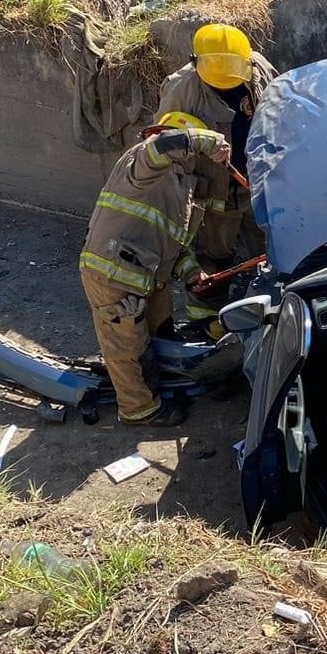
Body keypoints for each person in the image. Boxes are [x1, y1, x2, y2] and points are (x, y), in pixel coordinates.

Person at [80, 117, 228, 426]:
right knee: (126, 344)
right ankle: (138, 409)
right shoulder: (141, 161)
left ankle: (158, 380)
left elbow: (174, 246)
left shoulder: (179, 187)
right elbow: (159, 148)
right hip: (113, 273)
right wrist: (207, 140)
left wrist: (192, 273)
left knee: (159, 331)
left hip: (146, 275)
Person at [157, 23, 277, 268]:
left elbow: (280, 111)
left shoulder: (260, 70)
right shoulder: (181, 90)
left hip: (258, 184)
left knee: (270, 246)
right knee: (216, 255)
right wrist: (203, 144)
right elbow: (162, 142)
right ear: (196, 62)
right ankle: (217, 290)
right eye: (219, 81)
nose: (226, 84)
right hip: (216, 192)